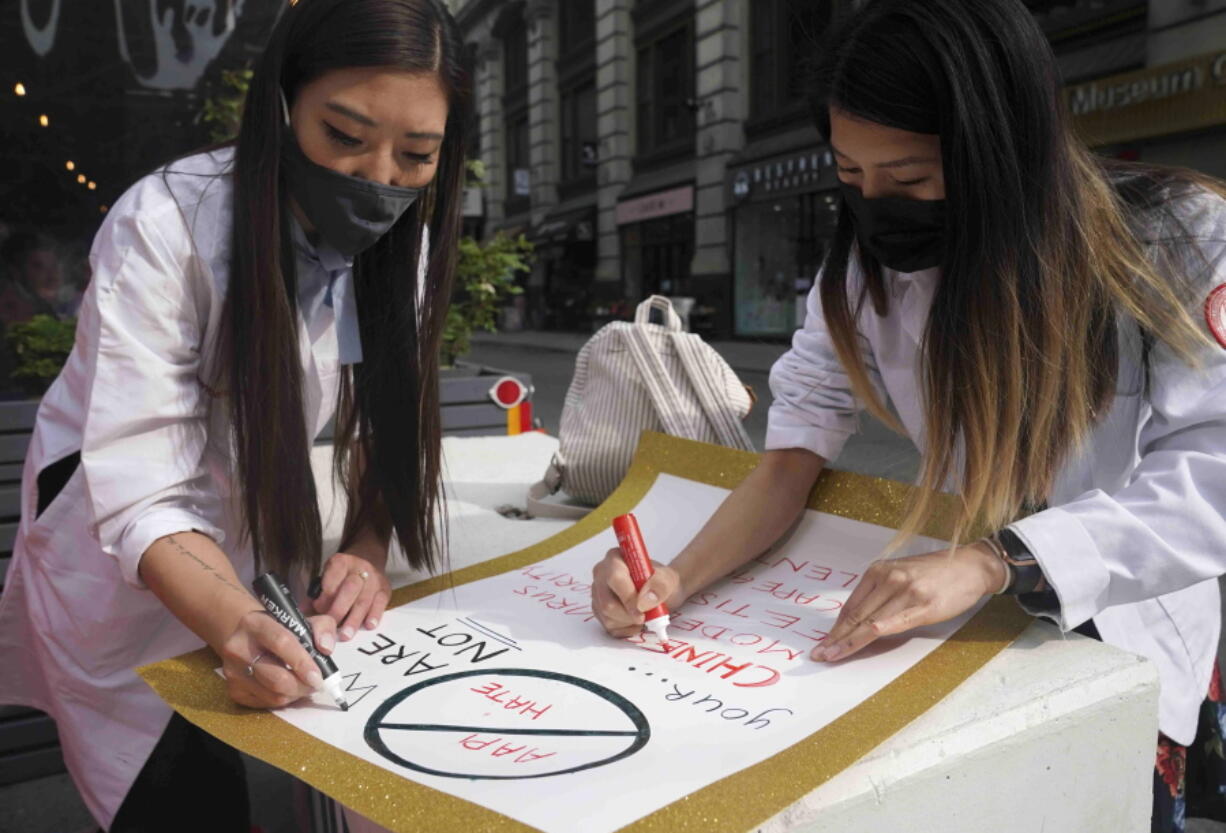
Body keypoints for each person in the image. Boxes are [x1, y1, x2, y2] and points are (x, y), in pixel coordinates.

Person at [591, 1, 1226, 830]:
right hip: (959, 617)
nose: (880, 207)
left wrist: (1001, 561)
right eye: (852, 179)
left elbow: (1210, 479)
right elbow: (791, 457)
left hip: (1125, 615)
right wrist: (677, 574)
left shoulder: (1176, 241)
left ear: (1005, 149)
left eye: (914, 180)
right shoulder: (862, 273)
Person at [0, 0, 471, 830]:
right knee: (174, 796)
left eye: (418, 153)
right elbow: (141, 490)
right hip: (119, 558)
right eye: (345, 135)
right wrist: (240, 621)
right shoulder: (167, 224)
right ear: (282, 104)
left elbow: (388, 427)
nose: (379, 178)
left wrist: (366, 547)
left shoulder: (399, 243)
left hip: (231, 550)